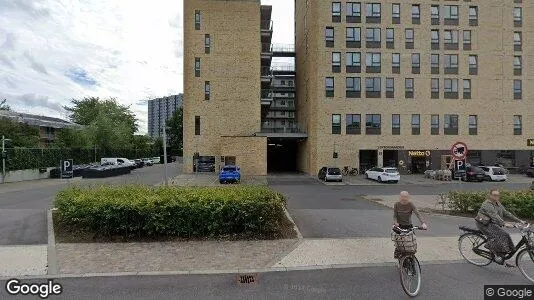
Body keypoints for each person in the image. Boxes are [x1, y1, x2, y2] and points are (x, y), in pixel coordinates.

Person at [475, 189, 526, 266]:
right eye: (494, 195)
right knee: (497, 236)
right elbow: (494, 216)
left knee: (505, 234)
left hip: (492, 223)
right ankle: (489, 246)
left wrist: (519, 220)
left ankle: (506, 252)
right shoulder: (487, 204)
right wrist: (504, 224)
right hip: (483, 224)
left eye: (497, 195)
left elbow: (506, 213)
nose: (496, 197)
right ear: (490, 195)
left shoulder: (497, 203)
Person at [392, 191, 428, 259]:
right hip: (399, 226)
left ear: (408, 197)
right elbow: (394, 215)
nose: (404, 198)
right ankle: (397, 252)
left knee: (411, 241)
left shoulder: (411, 204)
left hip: (408, 225)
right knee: (399, 241)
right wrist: (395, 222)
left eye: (405, 197)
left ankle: (411, 257)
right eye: (402, 197)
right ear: (400, 197)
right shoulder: (396, 204)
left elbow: (418, 214)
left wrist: (423, 223)